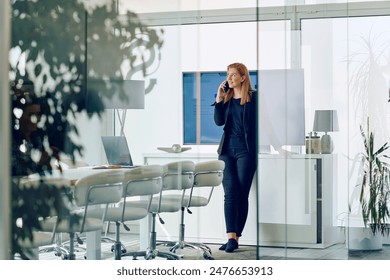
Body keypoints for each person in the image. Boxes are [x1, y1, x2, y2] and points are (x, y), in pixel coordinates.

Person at [213, 62, 257, 253]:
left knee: (241, 193)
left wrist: (279, 148)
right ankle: (231, 236)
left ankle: (236, 237)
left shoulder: (253, 99)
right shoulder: (227, 98)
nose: (229, 78)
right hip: (227, 151)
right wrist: (219, 98)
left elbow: (266, 124)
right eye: (228, 75)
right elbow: (218, 121)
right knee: (230, 192)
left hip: (246, 151)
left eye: (232, 75)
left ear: (243, 77)